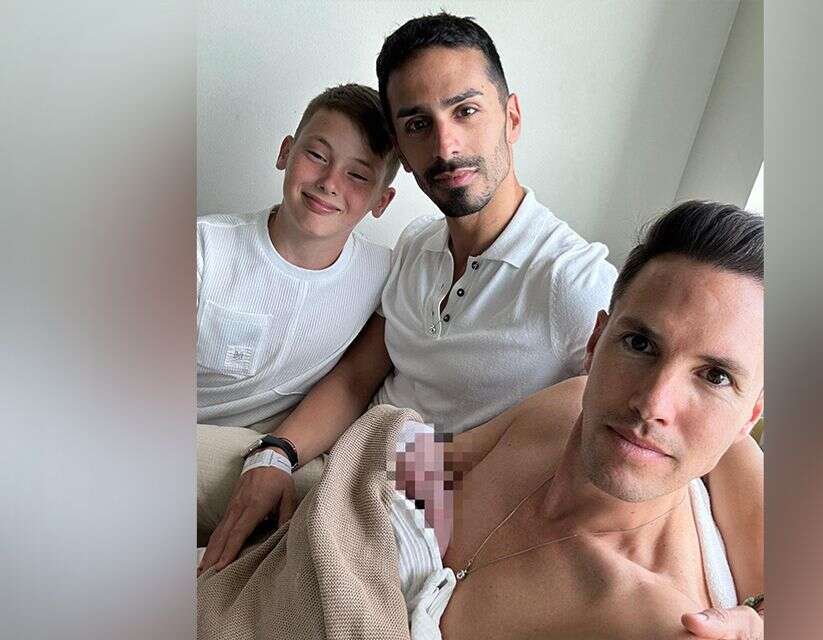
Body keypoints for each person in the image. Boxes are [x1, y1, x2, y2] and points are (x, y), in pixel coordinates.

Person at [198, 14, 762, 582]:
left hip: (413, 526)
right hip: (335, 469)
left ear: (511, 117)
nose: (445, 146)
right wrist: (277, 452)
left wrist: (761, 600)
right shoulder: (416, 246)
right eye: (418, 124)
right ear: (402, 150)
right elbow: (355, 378)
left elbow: (711, 424)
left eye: (465, 111)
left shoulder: (570, 283)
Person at [196, 201, 765, 640]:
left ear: (751, 416)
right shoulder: (560, 407)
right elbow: (408, 467)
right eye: (640, 344)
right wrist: (315, 485)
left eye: (714, 376)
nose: (653, 402)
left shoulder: (648, 617)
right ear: (595, 342)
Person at [196, 84, 399, 541]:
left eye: (358, 175)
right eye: (317, 155)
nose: (330, 182)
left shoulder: (384, 276)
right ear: (286, 152)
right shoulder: (206, 250)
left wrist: (275, 452)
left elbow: (354, 381)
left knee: (353, 499)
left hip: (276, 447)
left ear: (381, 202)